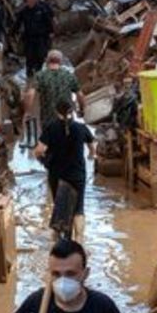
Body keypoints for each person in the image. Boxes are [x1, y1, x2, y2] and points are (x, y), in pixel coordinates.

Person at [34, 98, 95, 231]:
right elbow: (92, 147)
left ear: (57, 112)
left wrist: (42, 160)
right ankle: (79, 241)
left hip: (57, 174)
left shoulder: (51, 127)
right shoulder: (81, 128)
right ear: (72, 111)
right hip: (77, 173)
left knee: (60, 205)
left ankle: (60, 239)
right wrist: (91, 155)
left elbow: (39, 150)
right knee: (79, 209)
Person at [22, 49, 83, 129]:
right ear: (60, 61)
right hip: (66, 118)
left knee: (48, 139)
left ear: (47, 61)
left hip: (48, 120)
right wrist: (81, 109)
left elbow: (30, 94)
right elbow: (80, 95)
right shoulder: (69, 76)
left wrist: (28, 112)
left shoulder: (40, 76)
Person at [16, 0, 55, 79]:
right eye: (28, 1)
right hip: (29, 38)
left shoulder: (42, 9)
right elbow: (18, 22)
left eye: (30, 1)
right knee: (29, 57)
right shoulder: (24, 10)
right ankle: (29, 75)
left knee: (40, 56)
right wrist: (13, 32)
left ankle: (38, 73)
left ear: (35, 0)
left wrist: (51, 32)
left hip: (40, 38)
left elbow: (49, 21)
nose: (29, 3)